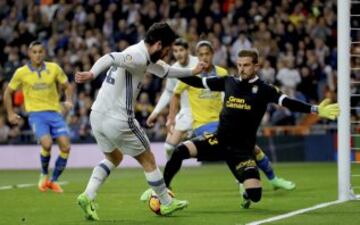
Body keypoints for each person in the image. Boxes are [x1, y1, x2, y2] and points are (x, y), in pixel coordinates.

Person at [159, 49, 339, 209]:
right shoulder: (228, 81)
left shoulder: (265, 89)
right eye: (239, 65)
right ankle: (162, 191)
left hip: (242, 150)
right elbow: (198, 82)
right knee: (180, 150)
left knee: (255, 195)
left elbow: (288, 103)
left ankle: (246, 193)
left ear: (256, 66)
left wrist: (315, 109)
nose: (242, 69)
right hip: (219, 140)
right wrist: (169, 71)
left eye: (246, 65)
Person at [74, 22, 206, 220]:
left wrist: (192, 71)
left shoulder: (144, 55)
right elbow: (110, 57)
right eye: (167, 50)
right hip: (118, 119)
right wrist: (92, 73)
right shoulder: (136, 55)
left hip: (97, 115)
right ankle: (166, 203)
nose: (167, 54)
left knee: (114, 158)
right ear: (159, 44)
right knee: (149, 159)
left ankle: (88, 195)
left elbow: (167, 71)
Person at [166, 41, 295, 191]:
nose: (204, 57)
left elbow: (230, 96)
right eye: (200, 54)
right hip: (203, 124)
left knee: (251, 149)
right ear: (197, 56)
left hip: (222, 121)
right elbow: (175, 95)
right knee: (237, 148)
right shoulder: (191, 73)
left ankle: (268, 180)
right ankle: (248, 183)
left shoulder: (222, 73)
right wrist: (170, 117)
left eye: (207, 54)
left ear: (212, 54)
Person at [4, 41, 73, 193]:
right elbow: (7, 92)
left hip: (55, 113)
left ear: (44, 53)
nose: (37, 54)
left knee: (66, 147)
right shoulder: (21, 72)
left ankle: (53, 181)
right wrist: (10, 113)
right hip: (36, 115)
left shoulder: (54, 68)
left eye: (40, 51)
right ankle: (43, 174)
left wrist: (68, 100)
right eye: (34, 52)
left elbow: (67, 85)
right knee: (47, 144)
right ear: (29, 54)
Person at [146, 38, 198, 160]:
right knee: (169, 147)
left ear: (187, 50)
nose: (178, 53)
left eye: (181, 50)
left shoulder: (198, 63)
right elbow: (168, 93)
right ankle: (169, 174)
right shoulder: (174, 69)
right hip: (186, 111)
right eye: (175, 51)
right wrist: (155, 112)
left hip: (203, 110)